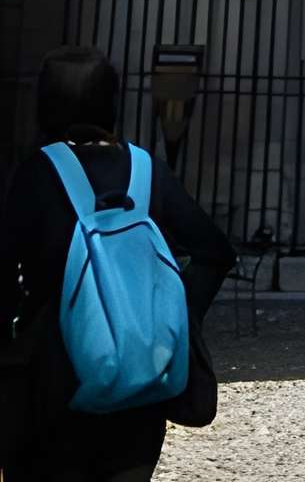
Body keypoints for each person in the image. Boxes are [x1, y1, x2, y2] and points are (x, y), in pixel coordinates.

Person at [0, 45, 234, 482]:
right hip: (139, 382)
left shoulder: (38, 172)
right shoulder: (147, 169)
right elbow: (214, 252)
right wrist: (176, 314)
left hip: (55, 382)